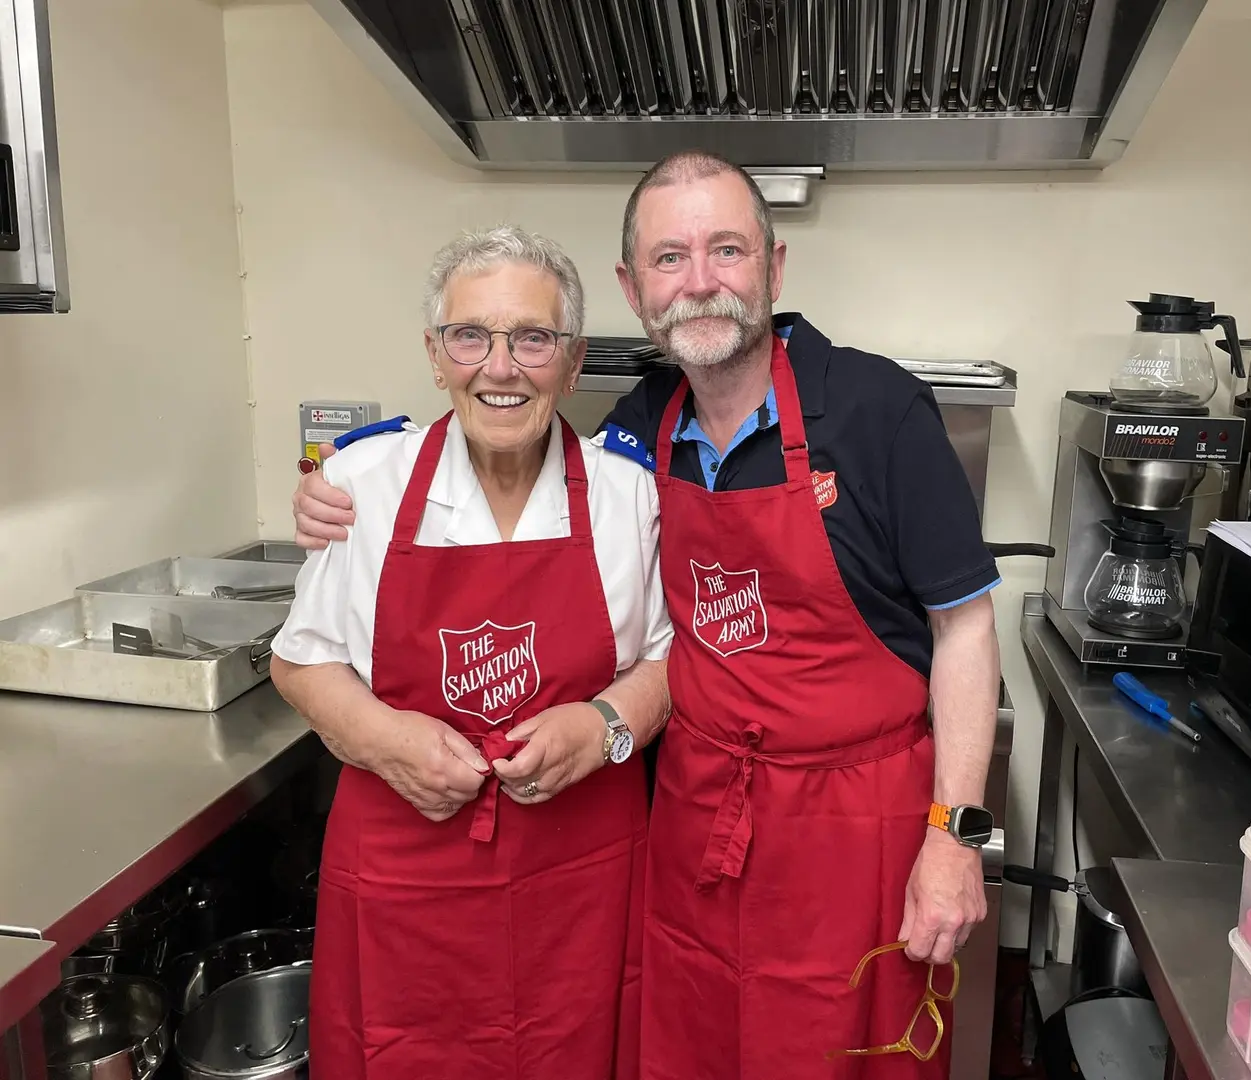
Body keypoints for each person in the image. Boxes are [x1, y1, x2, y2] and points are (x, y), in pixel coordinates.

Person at [292, 152, 1002, 1080]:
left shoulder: (878, 412)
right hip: (697, 832)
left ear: (774, 269)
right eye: (670, 258)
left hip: (852, 832)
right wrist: (323, 489)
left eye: (726, 251)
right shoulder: (643, 427)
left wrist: (956, 838)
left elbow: (967, 630)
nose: (700, 282)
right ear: (634, 289)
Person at [270, 224, 672, 1080]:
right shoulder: (361, 487)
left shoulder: (629, 493)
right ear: (435, 353)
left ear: (571, 363)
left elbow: (668, 667)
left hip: (582, 885)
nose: (500, 367)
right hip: (404, 882)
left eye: (533, 338)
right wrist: (386, 741)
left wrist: (602, 726)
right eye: (470, 336)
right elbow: (300, 659)